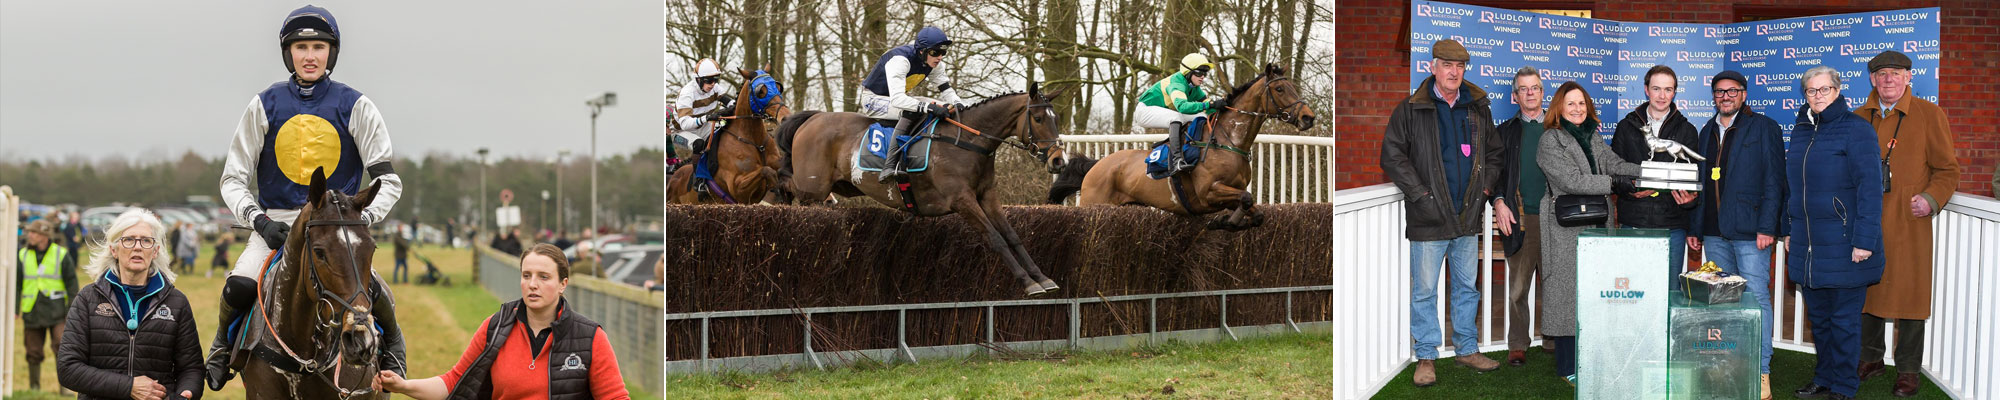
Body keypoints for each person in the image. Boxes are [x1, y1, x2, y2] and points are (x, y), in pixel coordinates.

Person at [206, 5, 406, 390]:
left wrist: (357, 221)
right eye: (301, 47)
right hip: (275, 224)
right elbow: (232, 179)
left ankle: (393, 346)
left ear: (331, 52)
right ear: (289, 53)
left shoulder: (357, 105)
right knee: (239, 285)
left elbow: (388, 180)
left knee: (375, 290)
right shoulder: (263, 104)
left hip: (337, 226)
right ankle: (221, 346)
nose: (310, 56)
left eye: (318, 46)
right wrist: (260, 221)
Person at [1380, 39, 1506, 387]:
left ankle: (1467, 348)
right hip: (1429, 217)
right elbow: (1392, 156)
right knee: (1424, 291)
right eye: (1447, 65)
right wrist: (1421, 195)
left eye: (1460, 66)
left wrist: (1484, 189)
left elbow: (1494, 154)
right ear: (1432, 67)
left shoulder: (1477, 108)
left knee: (1468, 287)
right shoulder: (1410, 108)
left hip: (1466, 216)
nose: (1454, 72)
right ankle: (1426, 356)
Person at [375, 244, 630, 400]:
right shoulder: (494, 328)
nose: (532, 284)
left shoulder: (590, 337)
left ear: (563, 284)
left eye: (543, 277)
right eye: (526, 275)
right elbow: (453, 382)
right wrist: (402, 386)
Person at [1853, 50, 1959, 398]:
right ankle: (1870, 358)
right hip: (1865, 220)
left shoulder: (1929, 114)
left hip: (1908, 221)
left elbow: (1947, 170)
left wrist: (1930, 199)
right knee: (1866, 290)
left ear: (1909, 77)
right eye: (1882, 73)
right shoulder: (1856, 118)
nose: (1888, 79)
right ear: (1872, 79)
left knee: (1911, 296)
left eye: (1896, 73)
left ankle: (1909, 368)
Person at [1686, 70, 1786, 399]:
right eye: (1719, 92)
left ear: (1743, 94)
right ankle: (1728, 362)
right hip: (1714, 233)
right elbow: (1702, 184)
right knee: (1722, 304)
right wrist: (1696, 228)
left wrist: (1767, 227)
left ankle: (1761, 371)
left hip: (1750, 231)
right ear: (1713, 96)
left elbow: (1775, 180)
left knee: (1756, 299)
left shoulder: (1763, 127)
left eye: (1732, 91)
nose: (1725, 96)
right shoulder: (1705, 131)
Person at [1786, 65, 1884, 400]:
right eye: (1811, 91)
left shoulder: (1857, 130)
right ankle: (1825, 377)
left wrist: (1863, 241)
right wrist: (1788, 229)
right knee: (1822, 322)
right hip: (1808, 245)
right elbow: (1793, 188)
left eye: (1824, 89)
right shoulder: (1800, 130)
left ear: (1838, 90)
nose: (1817, 96)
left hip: (1846, 244)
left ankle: (1844, 386)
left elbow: (1870, 189)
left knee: (1844, 323)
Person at [1537, 81, 1643, 385]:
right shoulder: (1550, 140)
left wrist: (1648, 170)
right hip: (1565, 230)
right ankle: (1567, 365)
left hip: (1596, 225)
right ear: (1559, 107)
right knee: (1567, 294)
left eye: (1582, 103)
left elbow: (1615, 163)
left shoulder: (1592, 137)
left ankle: (1592, 356)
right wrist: (1613, 185)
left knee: (1594, 294)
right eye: (1571, 104)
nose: (1577, 109)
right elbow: (1571, 180)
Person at [56, 209, 203, 400]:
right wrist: (129, 386)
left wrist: (186, 393)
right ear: (114, 249)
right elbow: (68, 368)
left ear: (155, 250)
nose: (138, 247)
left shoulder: (177, 302)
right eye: (129, 240)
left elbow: (192, 368)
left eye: (146, 241)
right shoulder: (88, 298)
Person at [1610, 65, 1701, 283]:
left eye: (1668, 90)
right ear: (1646, 90)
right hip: (1633, 222)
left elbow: (1693, 178)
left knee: (1669, 293)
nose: (1662, 96)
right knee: (1632, 293)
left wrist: (1689, 199)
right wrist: (1631, 191)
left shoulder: (1688, 131)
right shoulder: (1626, 126)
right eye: (1657, 89)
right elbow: (1613, 172)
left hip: (1672, 226)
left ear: (1675, 92)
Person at [1490, 66, 1549, 367]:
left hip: (1556, 219)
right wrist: (1499, 200)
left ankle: (1553, 339)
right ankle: (1517, 344)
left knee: (1556, 284)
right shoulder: (1505, 132)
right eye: (1523, 89)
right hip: (1521, 218)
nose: (1529, 93)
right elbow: (1495, 174)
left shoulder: (1559, 128)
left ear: (1542, 92)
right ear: (1515, 96)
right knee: (1517, 288)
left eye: (1534, 87)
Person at [859, 26, 966, 183]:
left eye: (943, 53)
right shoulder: (900, 61)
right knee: (915, 110)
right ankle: (889, 166)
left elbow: (946, 90)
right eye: (935, 53)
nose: (940, 57)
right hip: (874, 100)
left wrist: (958, 104)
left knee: (946, 108)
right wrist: (928, 107)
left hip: (896, 99)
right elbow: (897, 100)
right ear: (922, 51)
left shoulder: (934, 64)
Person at [1135, 53, 1225, 177]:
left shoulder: (1194, 88)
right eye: (1199, 73)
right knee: (1175, 118)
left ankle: (1192, 152)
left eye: (1205, 73)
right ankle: (1176, 160)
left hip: (1163, 110)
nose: (1202, 77)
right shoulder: (1177, 83)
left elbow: (1207, 107)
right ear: (1188, 72)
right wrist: (1210, 105)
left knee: (1201, 117)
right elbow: (1182, 107)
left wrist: (1222, 108)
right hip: (1145, 111)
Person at [18, 219, 80, 393]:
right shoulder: (22, 254)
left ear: (44, 236)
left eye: (34, 232)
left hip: (57, 311)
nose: (29, 235)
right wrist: (16, 310)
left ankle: (65, 390)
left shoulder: (61, 254)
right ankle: (34, 389)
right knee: (32, 351)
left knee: (62, 348)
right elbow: (16, 284)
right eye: (29, 232)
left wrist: (71, 311)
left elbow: (72, 285)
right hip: (32, 309)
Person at [670, 58, 733, 169]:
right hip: (680, 131)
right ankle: (697, 179)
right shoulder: (687, 93)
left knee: (724, 134)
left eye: (716, 79)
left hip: (702, 126)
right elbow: (685, 124)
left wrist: (734, 107)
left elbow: (730, 103)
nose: (713, 84)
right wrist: (707, 118)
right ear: (698, 79)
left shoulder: (715, 88)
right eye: (709, 80)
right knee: (698, 144)